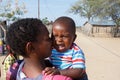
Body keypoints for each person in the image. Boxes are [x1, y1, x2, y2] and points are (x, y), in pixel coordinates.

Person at [6, 18, 72, 80]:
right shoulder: (60, 78)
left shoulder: (14, 68)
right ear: (30, 47)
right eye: (47, 38)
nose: (53, 41)